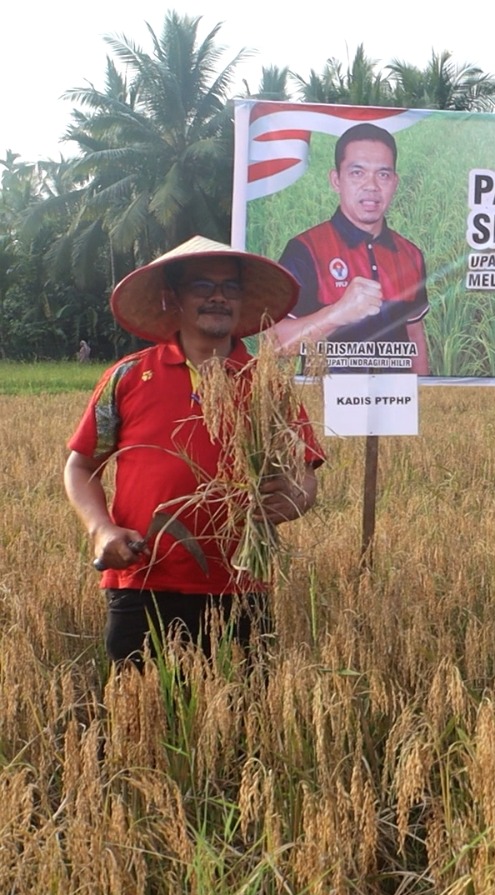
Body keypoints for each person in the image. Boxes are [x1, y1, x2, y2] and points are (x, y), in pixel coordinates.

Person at [64, 236, 324, 667]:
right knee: (141, 719)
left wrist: (297, 497)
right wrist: (101, 530)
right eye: (203, 286)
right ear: (174, 298)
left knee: (241, 720)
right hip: (142, 579)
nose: (219, 297)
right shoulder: (128, 377)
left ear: (242, 302)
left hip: (241, 584)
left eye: (231, 288)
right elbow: (82, 465)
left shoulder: (266, 386)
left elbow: (305, 474)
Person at [269, 123, 430, 374]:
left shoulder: (411, 255)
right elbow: (275, 343)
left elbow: (414, 337)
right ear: (336, 180)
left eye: (383, 174)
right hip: (328, 405)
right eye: (357, 173)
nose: (372, 186)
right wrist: (336, 314)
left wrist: (424, 399)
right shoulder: (305, 250)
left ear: (395, 183)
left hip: (396, 406)